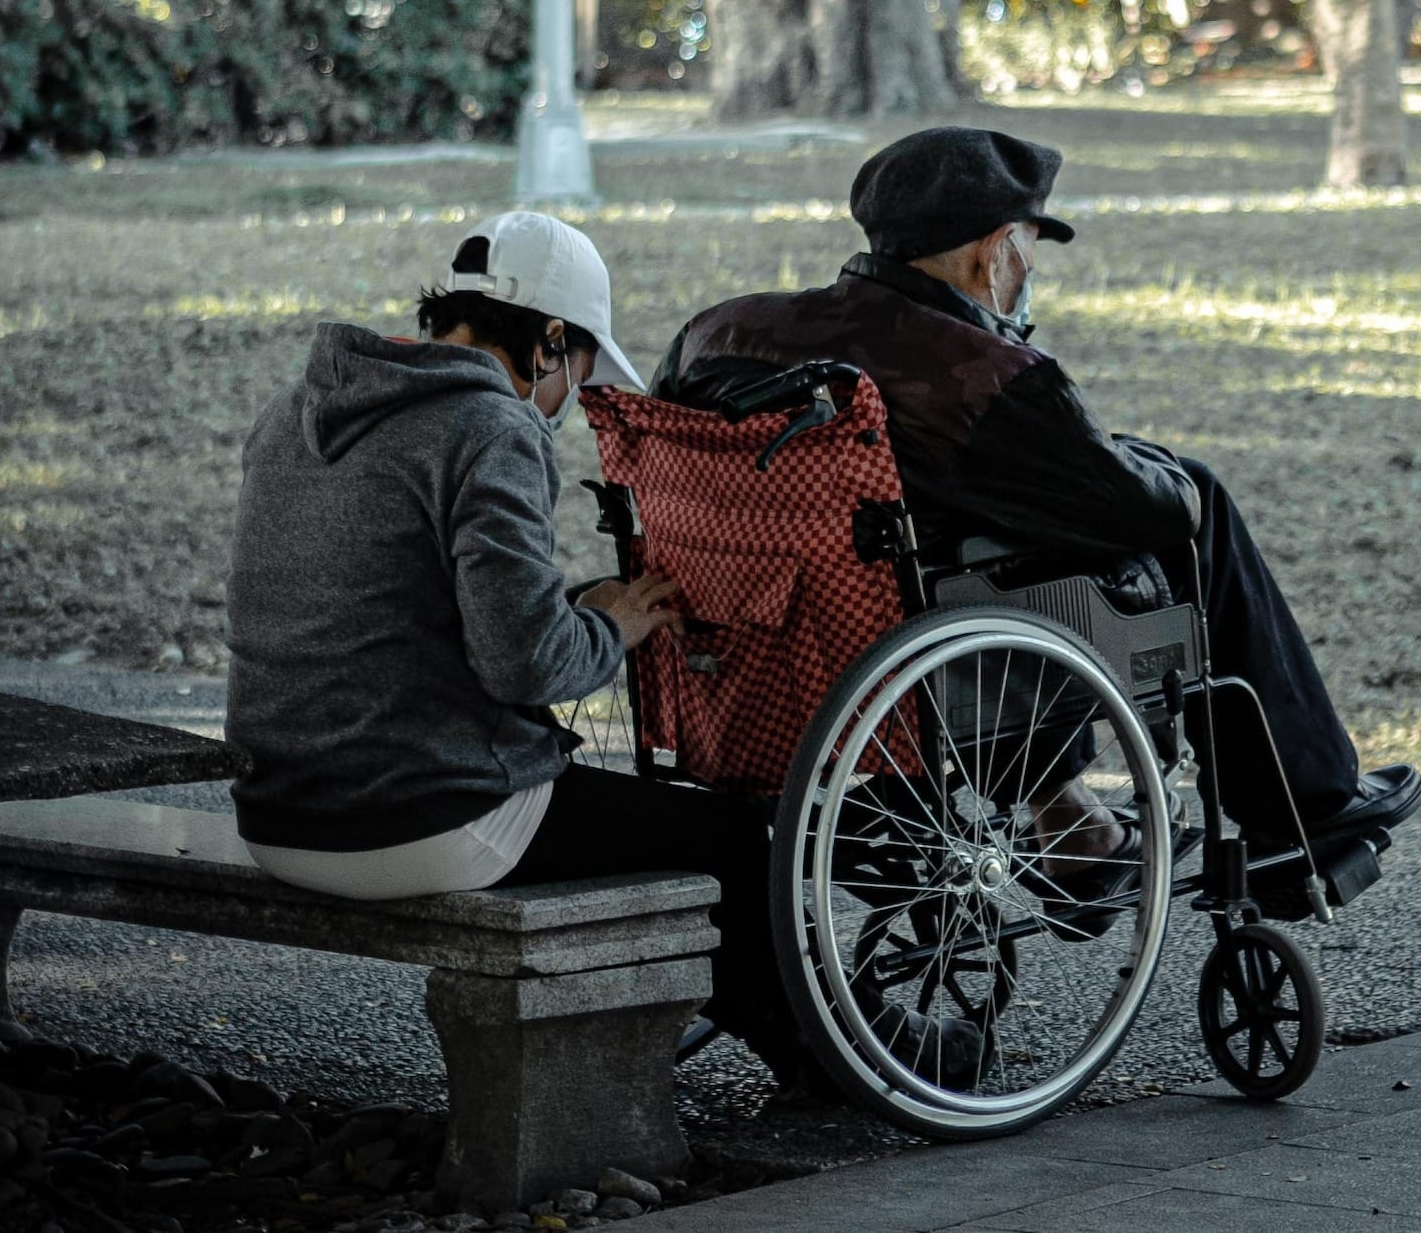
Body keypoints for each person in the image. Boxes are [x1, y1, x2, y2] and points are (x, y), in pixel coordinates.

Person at [223, 210, 973, 1091]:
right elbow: (529, 668)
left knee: (674, 834)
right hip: (417, 818)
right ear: (547, 341)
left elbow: (403, 602)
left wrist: (583, 606)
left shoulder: (301, 407)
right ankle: (845, 1058)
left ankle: (797, 1034)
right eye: (577, 369)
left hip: (276, 812)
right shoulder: (487, 425)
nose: (572, 397)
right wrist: (611, 629)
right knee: (730, 840)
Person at [650, 127, 1421, 857]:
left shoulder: (718, 333)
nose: (1029, 272)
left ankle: (1075, 821)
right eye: (1028, 248)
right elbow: (1146, 511)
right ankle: (1307, 805)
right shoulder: (982, 375)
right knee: (1199, 500)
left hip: (752, 644)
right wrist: (1156, 469)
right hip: (926, 650)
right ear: (993, 254)